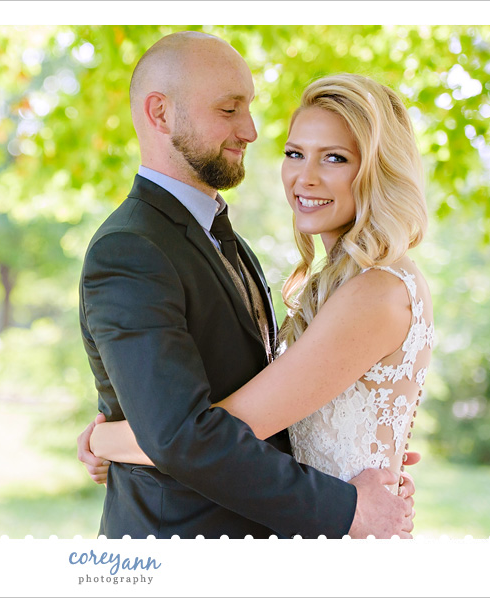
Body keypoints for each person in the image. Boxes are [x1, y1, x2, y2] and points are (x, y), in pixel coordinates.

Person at [77, 31, 418, 539]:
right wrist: (350, 507)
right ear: (161, 114)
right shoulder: (131, 250)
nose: (251, 130)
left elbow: (203, 427)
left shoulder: (357, 283)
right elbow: (182, 436)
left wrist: (108, 440)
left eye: (335, 157)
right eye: (229, 109)